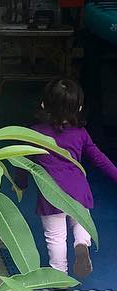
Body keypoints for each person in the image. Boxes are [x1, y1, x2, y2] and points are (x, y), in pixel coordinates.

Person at [27, 78, 117, 277]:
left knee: (56, 236)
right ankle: (81, 243)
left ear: (43, 104)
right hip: (78, 189)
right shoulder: (81, 134)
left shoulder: (34, 133)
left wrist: (20, 182)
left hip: (50, 191)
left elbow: (24, 162)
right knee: (81, 222)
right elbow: (99, 159)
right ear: (79, 107)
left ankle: (59, 275)